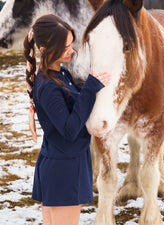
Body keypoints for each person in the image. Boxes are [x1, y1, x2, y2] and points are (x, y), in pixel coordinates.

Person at [23, 14, 111, 225]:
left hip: (64, 162)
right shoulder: (48, 87)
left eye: (71, 44)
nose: (71, 50)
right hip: (63, 170)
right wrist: (90, 87)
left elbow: (75, 103)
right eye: (64, 47)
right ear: (44, 50)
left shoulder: (59, 74)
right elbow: (70, 129)